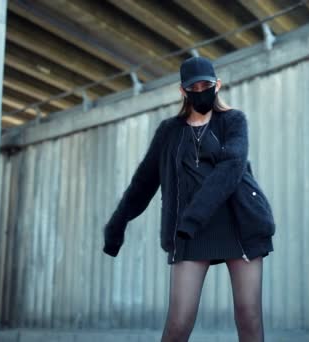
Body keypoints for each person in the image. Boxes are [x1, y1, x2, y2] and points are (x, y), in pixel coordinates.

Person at [103, 56, 274, 342]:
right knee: (178, 323)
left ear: (217, 85)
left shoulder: (233, 121)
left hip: (239, 225)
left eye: (206, 85)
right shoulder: (169, 132)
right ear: (183, 91)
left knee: (249, 318)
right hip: (189, 232)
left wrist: (192, 217)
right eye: (193, 87)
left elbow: (231, 168)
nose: (200, 90)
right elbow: (143, 182)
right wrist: (117, 224)